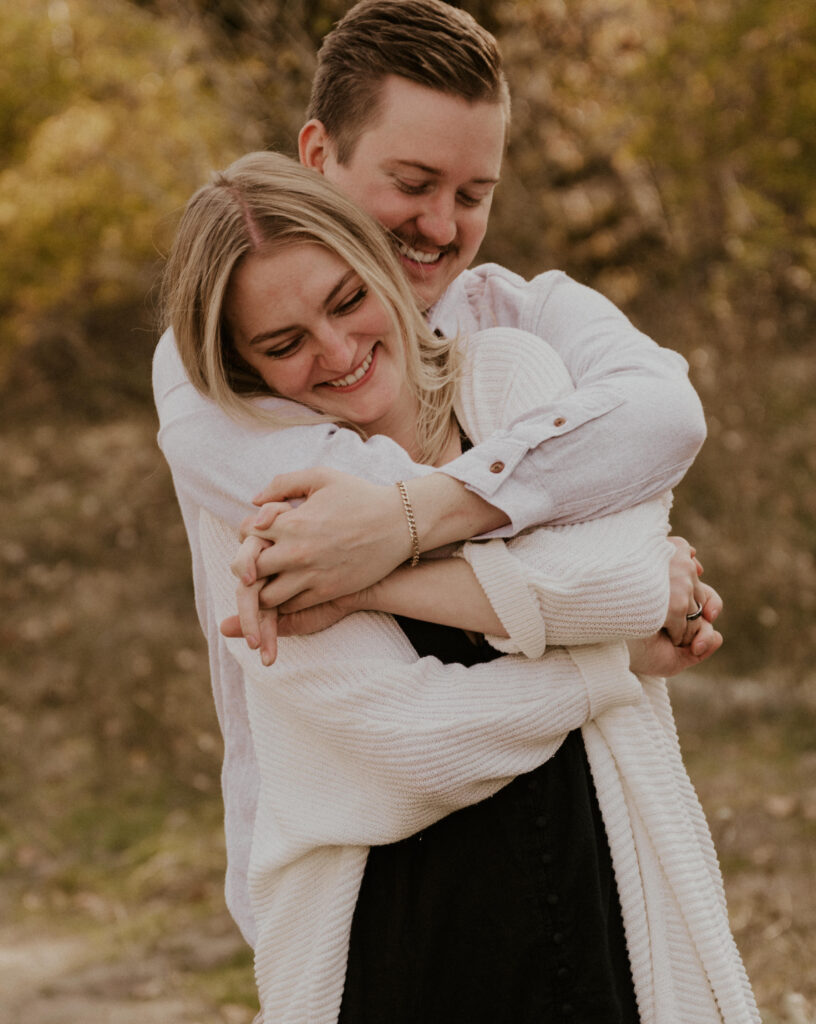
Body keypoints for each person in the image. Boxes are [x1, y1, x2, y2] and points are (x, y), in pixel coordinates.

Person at [159, 150, 757, 1024]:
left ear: (381, 263)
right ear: (240, 365)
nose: (337, 353)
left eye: (347, 300)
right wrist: (610, 661)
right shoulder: (260, 498)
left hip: (605, 899)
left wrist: (372, 588)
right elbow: (413, 749)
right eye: (284, 345)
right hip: (397, 942)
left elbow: (628, 576)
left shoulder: (514, 376)